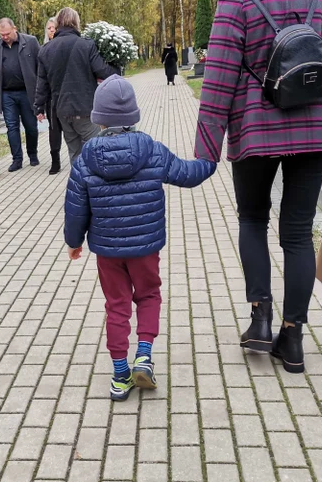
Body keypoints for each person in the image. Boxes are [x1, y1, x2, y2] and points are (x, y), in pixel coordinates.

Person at [193, 0, 322, 374]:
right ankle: (294, 339)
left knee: (252, 219)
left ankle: (260, 320)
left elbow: (218, 82)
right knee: (298, 232)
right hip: (317, 127)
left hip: (257, 131)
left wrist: (204, 155)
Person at [65, 76, 216, 400]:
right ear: (133, 115)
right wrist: (210, 158)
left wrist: (74, 242)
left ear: (98, 117)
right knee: (148, 295)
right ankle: (144, 356)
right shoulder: (150, 148)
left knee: (116, 305)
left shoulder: (86, 157)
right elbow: (187, 175)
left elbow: (76, 207)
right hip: (146, 248)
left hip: (107, 250)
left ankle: (120, 375)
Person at [35, 7, 115, 164]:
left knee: (75, 153)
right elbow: (102, 70)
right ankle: (96, 185)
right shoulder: (86, 45)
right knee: (96, 151)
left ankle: (79, 185)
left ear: (58, 24)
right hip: (85, 110)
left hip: (62, 111)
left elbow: (41, 84)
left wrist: (38, 108)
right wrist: (116, 68)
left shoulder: (45, 50)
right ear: (76, 23)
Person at [0, 18, 42, 172]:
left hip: (27, 92)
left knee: (31, 126)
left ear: (14, 29)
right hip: (7, 94)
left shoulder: (30, 42)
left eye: (7, 33)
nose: (5, 37)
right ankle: (17, 159)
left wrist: (42, 92)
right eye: (2, 34)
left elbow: (40, 67)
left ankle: (33, 154)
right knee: (11, 127)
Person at [42, 17, 64, 175]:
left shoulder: (65, 48)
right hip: (51, 97)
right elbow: (40, 78)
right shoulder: (44, 50)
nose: (52, 30)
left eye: (54, 27)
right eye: (49, 28)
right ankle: (55, 160)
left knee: (70, 129)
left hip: (66, 94)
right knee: (54, 129)